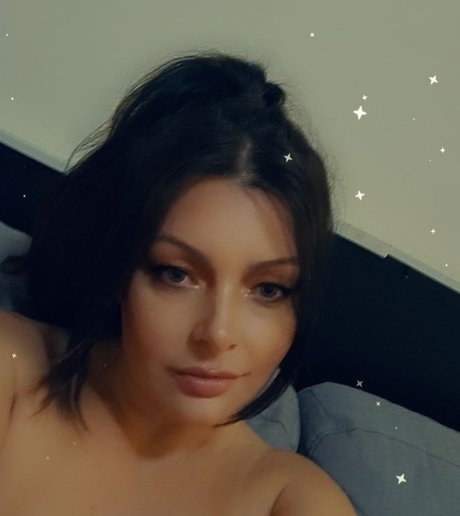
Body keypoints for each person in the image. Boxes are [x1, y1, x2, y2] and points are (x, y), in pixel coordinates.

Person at [0, 50, 356, 515]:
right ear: (119, 265)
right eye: (177, 274)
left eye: (268, 289)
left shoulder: (293, 500)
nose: (218, 334)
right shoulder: (12, 366)